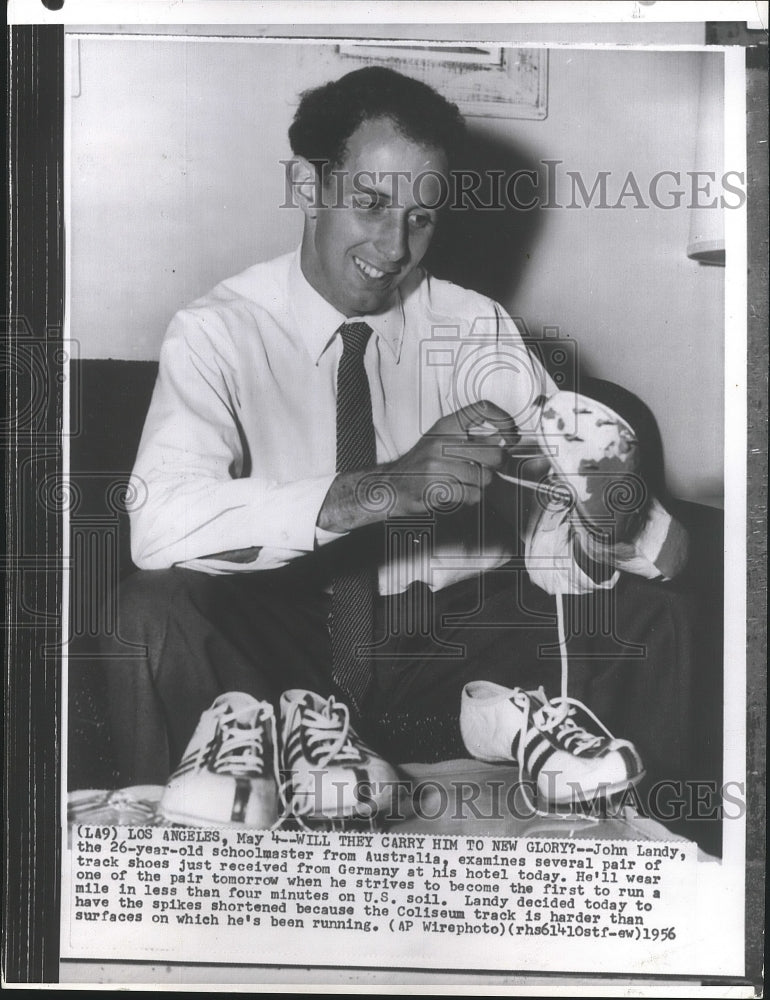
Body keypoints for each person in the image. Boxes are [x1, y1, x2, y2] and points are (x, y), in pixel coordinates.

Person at [106, 66, 709, 831]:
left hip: (448, 656)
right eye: (370, 204)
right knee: (153, 609)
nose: (395, 248)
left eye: (422, 219)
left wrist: (606, 526)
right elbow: (156, 524)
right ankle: (189, 869)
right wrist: (382, 488)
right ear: (307, 185)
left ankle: (650, 873)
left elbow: (560, 550)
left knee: (656, 614)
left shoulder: (475, 327)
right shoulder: (216, 331)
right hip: (284, 652)